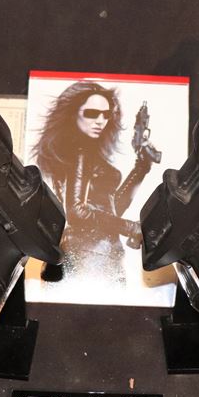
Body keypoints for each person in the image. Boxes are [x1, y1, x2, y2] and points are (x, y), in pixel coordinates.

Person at [31, 81, 157, 283]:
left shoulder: (85, 152)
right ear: (73, 114)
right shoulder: (79, 152)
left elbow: (112, 209)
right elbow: (77, 211)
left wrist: (141, 168)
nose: (100, 121)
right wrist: (130, 227)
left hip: (101, 253)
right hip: (90, 254)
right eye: (91, 113)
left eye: (106, 115)